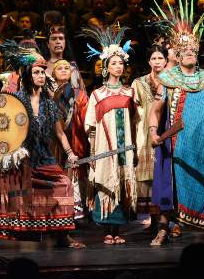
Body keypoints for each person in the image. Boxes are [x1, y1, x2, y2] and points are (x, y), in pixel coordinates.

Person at [0, 43, 84, 248]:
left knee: (63, 185)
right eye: (36, 72)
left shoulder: (49, 103)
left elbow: (58, 133)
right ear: (28, 76)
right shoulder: (16, 100)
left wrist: (70, 153)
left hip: (43, 156)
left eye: (42, 72)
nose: (41, 75)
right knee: (4, 189)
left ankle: (62, 235)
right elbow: (3, 130)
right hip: (22, 158)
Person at [148, 0, 204, 248]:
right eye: (184, 50)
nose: (190, 53)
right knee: (171, 187)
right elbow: (156, 109)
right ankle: (164, 229)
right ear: (176, 55)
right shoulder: (168, 80)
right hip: (178, 143)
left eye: (193, 49)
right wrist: (152, 131)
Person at [83, 25, 138, 245]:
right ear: (105, 67)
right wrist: (93, 152)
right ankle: (107, 229)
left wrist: (136, 149)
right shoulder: (97, 94)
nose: (118, 66)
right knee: (106, 180)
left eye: (121, 63)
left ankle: (118, 229)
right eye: (113, 63)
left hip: (126, 147)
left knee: (123, 181)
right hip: (105, 147)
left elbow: (135, 122)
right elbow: (91, 126)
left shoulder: (129, 92)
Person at [131, 45, 167, 232]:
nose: (157, 62)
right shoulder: (139, 82)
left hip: (166, 130)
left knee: (165, 172)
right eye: (154, 58)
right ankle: (153, 220)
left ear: (166, 61)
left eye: (160, 58)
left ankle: (167, 221)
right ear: (149, 62)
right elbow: (135, 110)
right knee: (147, 176)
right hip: (145, 133)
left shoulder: (171, 81)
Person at [51, 59, 90, 219]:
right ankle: (56, 213)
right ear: (53, 73)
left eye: (66, 68)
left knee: (73, 174)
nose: (63, 70)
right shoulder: (48, 93)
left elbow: (87, 119)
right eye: (59, 68)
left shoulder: (79, 95)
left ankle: (72, 213)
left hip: (74, 139)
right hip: (53, 142)